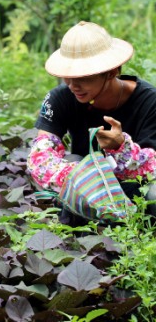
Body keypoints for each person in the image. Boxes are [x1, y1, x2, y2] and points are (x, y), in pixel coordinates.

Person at [27, 21, 156, 223]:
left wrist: (122, 149)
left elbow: (153, 168)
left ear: (112, 72)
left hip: (137, 193)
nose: (73, 86)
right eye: (68, 77)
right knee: (73, 162)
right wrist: (89, 175)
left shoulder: (150, 102)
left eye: (83, 78)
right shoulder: (59, 98)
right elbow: (41, 156)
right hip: (86, 193)